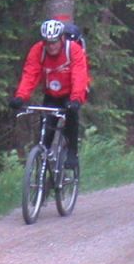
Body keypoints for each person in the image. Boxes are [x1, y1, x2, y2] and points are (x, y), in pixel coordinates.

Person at [9, 19, 89, 169]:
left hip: (71, 93)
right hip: (51, 94)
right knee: (46, 130)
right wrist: (20, 97)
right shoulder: (38, 51)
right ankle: (43, 167)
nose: (51, 46)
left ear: (61, 39)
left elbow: (79, 75)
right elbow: (30, 74)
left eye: (54, 42)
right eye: (48, 42)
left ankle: (72, 153)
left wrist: (76, 99)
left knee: (71, 118)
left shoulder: (73, 50)